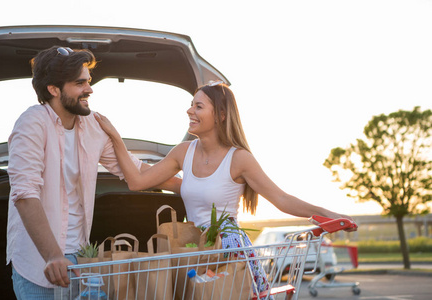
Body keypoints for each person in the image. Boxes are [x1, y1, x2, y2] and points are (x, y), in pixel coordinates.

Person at [95, 81, 357, 294]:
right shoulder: (183, 152)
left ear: (220, 115)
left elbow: (281, 198)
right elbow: (138, 180)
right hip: (194, 249)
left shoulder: (239, 158)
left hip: (227, 250)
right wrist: (114, 139)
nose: (189, 111)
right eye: (190, 105)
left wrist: (328, 214)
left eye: (198, 106)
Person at [7, 45, 181, 300]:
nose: (89, 89)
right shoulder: (31, 123)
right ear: (53, 90)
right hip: (38, 264)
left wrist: (189, 187)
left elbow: (136, 170)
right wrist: (53, 255)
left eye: (88, 81)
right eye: (80, 83)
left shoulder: (92, 124)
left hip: (82, 262)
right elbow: (25, 194)